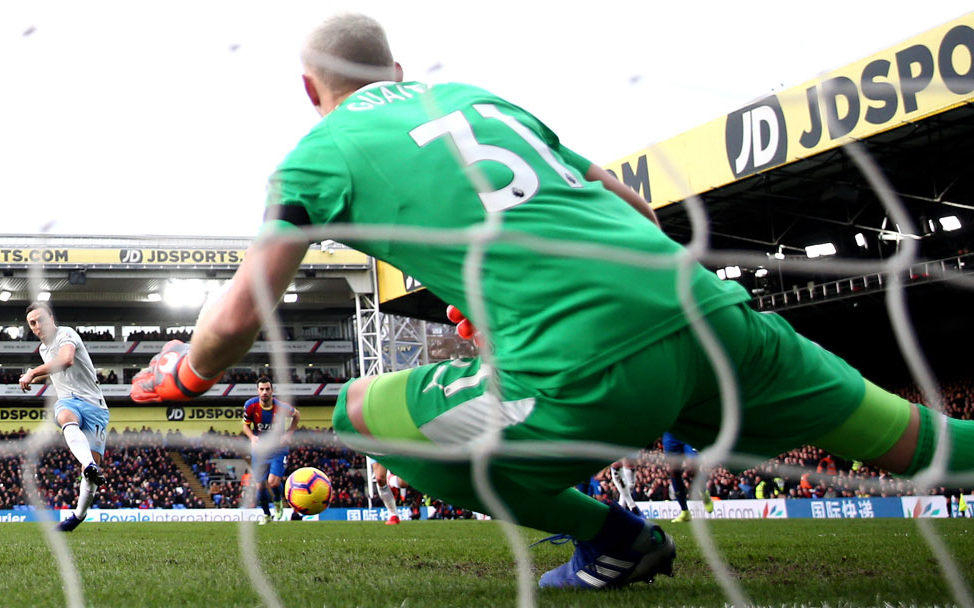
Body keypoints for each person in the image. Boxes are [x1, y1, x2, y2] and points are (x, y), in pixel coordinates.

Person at [132, 13, 974, 591]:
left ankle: (616, 541)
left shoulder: (318, 153)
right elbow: (636, 211)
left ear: (308, 91)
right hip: (710, 314)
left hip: (585, 364)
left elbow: (239, 318)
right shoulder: (477, 99)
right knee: (926, 443)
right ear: (396, 69)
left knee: (359, 412)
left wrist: (184, 375)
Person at [21, 301, 108, 532]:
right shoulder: (43, 350)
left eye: (40, 319)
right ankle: (88, 463)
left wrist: (32, 372)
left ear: (51, 319)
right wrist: (32, 378)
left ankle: (78, 516)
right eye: (32, 323)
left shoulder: (66, 334)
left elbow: (66, 360)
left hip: (95, 406)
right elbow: (56, 370)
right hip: (69, 401)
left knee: (89, 479)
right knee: (65, 416)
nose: (37, 326)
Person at [241, 377, 300, 523]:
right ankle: (267, 515)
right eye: (261, 389)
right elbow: (245, 425)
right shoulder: (250, 405)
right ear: (257, 391)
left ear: (272, 390)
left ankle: (278, 502)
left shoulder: (281, 407)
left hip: (278, 450)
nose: (264, 392)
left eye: (267, 389)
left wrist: (289, 434)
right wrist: (252, 438)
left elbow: (296, 415)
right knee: (259, 486)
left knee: (273, 482)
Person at [662, 433, 714, 523]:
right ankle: (684, 511)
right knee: (673, 470)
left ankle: (703, 492)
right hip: (671, 434)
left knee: (692, 466)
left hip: (687, 430)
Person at [370, 458, 408, 525]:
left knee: (404, 483)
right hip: (378, 448)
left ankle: (390, 480)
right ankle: (393, 514)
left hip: (397, 449)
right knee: (380, 479)